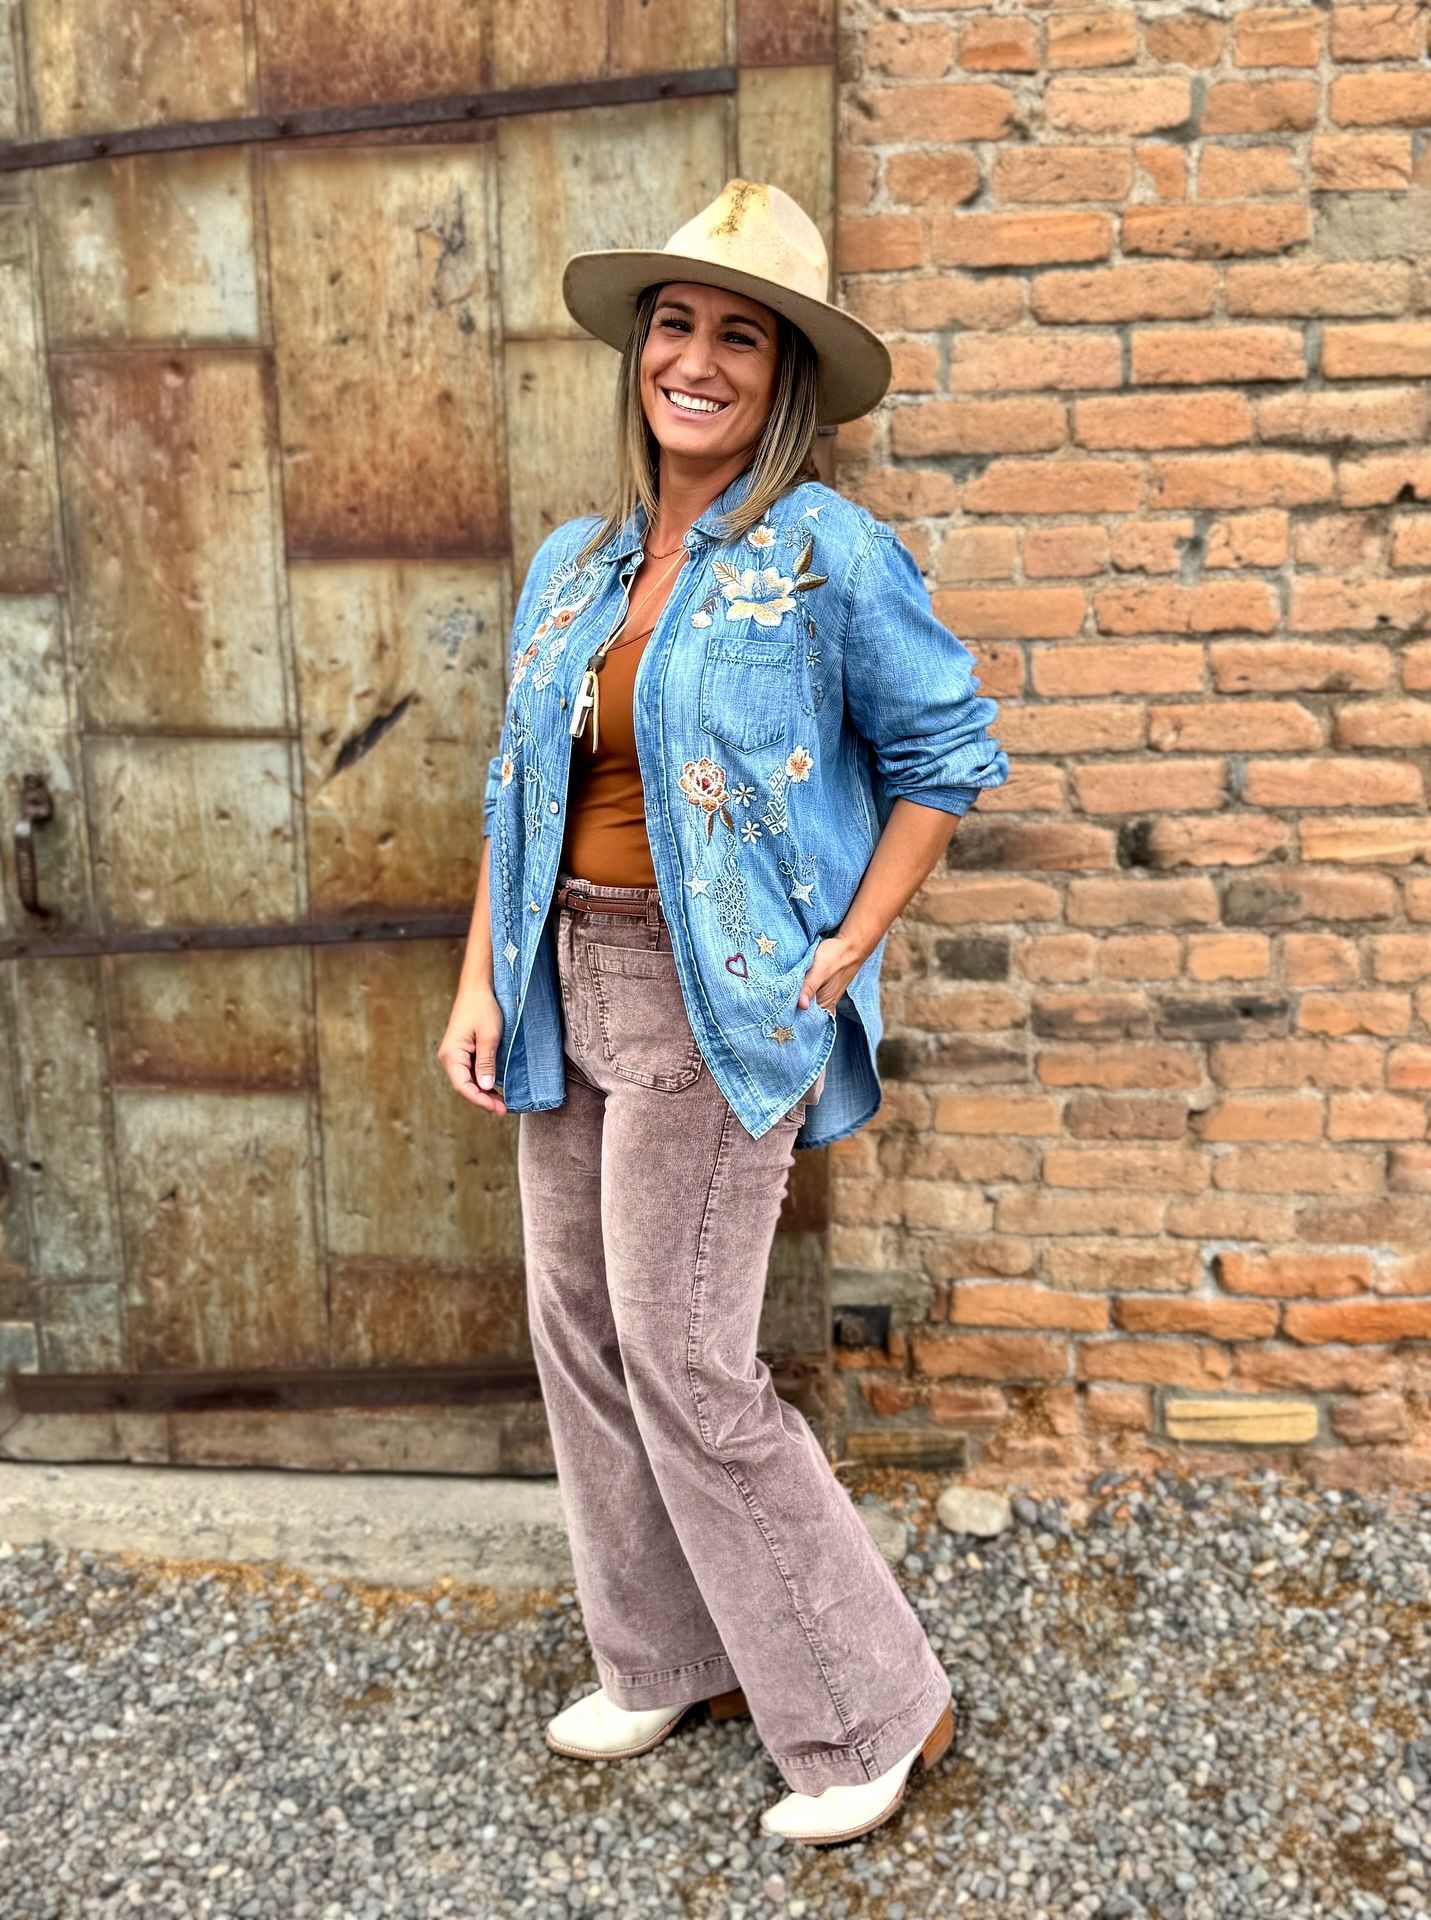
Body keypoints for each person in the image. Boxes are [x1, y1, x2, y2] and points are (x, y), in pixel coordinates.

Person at [437, 178, 1010, 1845]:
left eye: (736, 335)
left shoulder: (829, 553)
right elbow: (513, 788)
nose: (694, 358)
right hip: (563, 979)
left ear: (784, 375)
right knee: (582, 1333)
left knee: (689, 1356)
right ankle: (663, 1652)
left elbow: (944, 759)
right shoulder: (577, 561)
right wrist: (481, 973)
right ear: (640, 354)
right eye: (674, 326)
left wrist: (846, 947)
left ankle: (873, 1708)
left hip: (720, 1001)